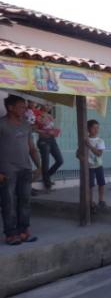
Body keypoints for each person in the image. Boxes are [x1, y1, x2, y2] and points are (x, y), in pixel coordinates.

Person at [0, 95, 42, 245]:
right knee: (9, 202)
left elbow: (32, 147)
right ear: (10, 107)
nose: (25, 109)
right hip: (7, 170)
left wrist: (39, 166)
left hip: (25, 168)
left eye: (25, 106)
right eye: (21, 106)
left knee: (25, 201)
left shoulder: (26, 125)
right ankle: (11, 234)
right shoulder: (2, 124)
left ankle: (24, 231)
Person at [35, 103, 63, 190]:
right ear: (41, 103)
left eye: (50, 105)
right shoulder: (37, 114)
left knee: (60, 160)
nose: (48, 106)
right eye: (46, 104)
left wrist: (55, 131)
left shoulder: (50, 116)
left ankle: (46, 177)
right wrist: (45, 132)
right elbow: (33, 128)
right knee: (45, 162)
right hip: (43, 141)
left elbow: (52, 128)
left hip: (52, 140)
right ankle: (47, 182)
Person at [86, 120, 106, 211]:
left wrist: (89, 146)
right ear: (88, 128)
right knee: (90, 185)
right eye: (94, 128)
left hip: (98, 165)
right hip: (89, 167)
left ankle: (101, 200)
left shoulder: (100, 140)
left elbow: (99, 154)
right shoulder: (85, 140)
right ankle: (90, 201)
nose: (96, 130)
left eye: (97, 128)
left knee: (101, 183)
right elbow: (78, 153)